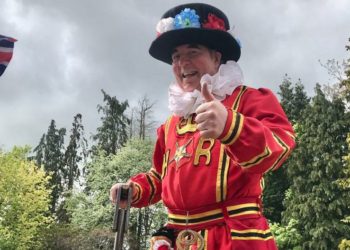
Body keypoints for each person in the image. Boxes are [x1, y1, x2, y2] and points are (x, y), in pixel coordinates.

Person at [110, 3, 296, 249]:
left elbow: (280, 146)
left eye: (193, 52)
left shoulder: (249, 99)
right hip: (176, 238)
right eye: (176, 56)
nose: (182, 63)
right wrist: (135, 190)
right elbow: (160, 176)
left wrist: (231, 126)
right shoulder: (171, 124)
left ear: (216, 57)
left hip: (232, 237)